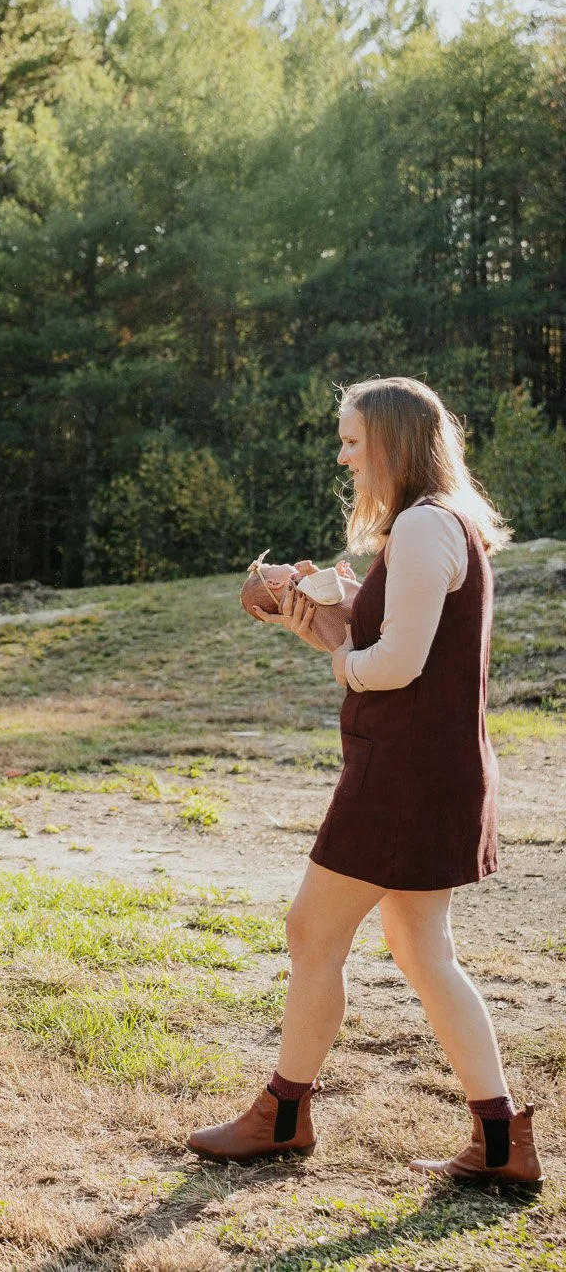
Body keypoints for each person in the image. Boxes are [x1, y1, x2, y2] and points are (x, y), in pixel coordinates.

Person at [188, 376, 544, 1192]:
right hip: (433, 766)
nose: (343, 455)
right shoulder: (438, 526)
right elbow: (397, 648)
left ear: (390, 441)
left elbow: (394, 665)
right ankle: (499, 1138)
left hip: (405, 776)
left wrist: (344, 657)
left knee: (313, 931)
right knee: (424, 950)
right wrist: (328, 616)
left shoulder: (422, 530)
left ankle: (284, 1113)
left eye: (352, 440)